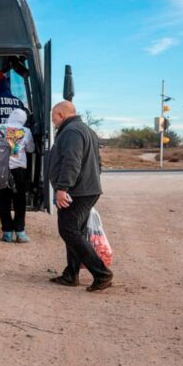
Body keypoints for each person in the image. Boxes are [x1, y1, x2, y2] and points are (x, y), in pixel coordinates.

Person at [49, 101, 113, 292]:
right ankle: (71, 274)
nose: (53, 121)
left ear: (61, 115)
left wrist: (62, 188)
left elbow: (72, 162)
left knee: (68, 230)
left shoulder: (71, 132)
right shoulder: (86, 130)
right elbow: (97, 162)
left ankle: (102, 273)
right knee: (74, 230)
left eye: (54, 117)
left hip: (77, 191)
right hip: (86, 189)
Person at [0, 109, 35, 242]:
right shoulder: (26, 131)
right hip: (19, 170)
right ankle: (20, 231)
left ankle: (6, 232)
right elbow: (30, 149)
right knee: (19, 200)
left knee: (3, 200)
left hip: (2, 168)